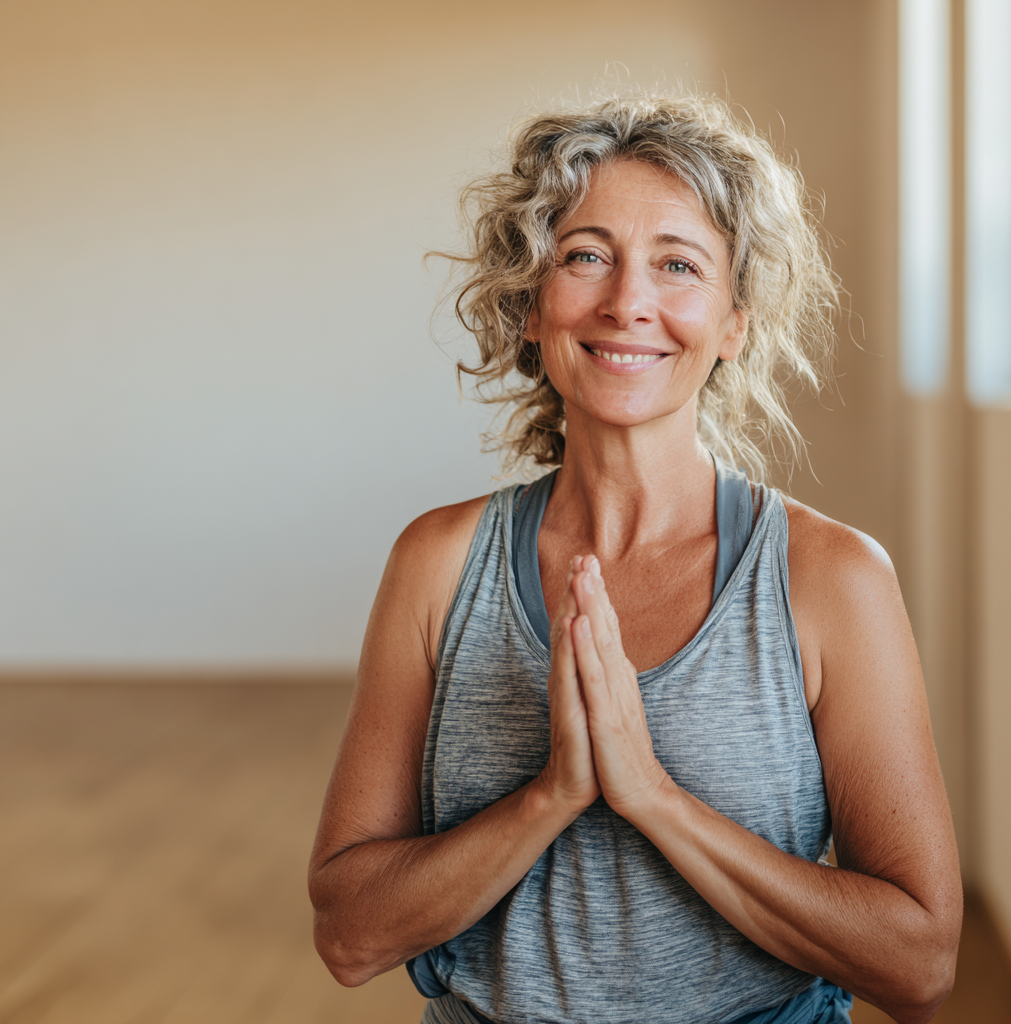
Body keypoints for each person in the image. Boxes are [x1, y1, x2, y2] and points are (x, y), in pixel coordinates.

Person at [308, 94, 962, 1024]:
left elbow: (920, 963)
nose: (628, 303)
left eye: (678, 266)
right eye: (585, 257)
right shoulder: (440, 564)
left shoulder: (830, 579)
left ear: (734, 323)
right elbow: (348, 937)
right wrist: (554, 794)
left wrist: (651, 795)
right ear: (531, 306)